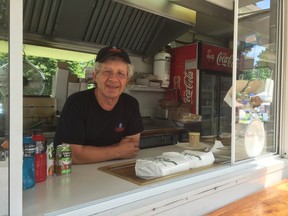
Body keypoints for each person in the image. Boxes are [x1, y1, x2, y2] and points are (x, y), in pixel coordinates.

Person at [53, 46, 144, 164]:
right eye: (107, 72)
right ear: (95, 76)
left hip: (113, 171)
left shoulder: (130, 104)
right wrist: (117, 151)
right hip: (76, 175)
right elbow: (72, 155)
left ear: (127, 79)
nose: (113, 79)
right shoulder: (76, 103)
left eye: (120, 74)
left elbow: (131, 148)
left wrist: (89, 153)